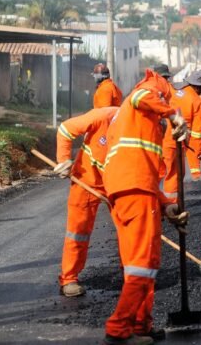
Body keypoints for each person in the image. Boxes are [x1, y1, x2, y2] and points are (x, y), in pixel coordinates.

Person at [101, 67, 188, 345]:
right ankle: (118, 330)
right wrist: (173, 114)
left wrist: (165, 206)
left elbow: (144, 171)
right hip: (135, 191)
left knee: (136, 265)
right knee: (144, 264)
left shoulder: (131, 120)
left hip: (131, 192)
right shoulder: (149, 89)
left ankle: (141, 324)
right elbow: (142, 97)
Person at [54, 106, 119, 298]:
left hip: (117, 183)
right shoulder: (103, 116)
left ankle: (132, 275)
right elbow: (66, 129)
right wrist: (63, 161)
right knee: (77, 231)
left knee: (129, 228)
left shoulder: (143, 131)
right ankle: (69, 279)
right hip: (86, 179)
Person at [162, 70, 201, 198]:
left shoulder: (172, 90)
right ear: (196, 86)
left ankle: (155, 203)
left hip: (158, 138)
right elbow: (197, 134)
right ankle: (171, 204)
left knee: (159, 172)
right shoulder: (197, 101)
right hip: (174, 143)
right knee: (175, 174)